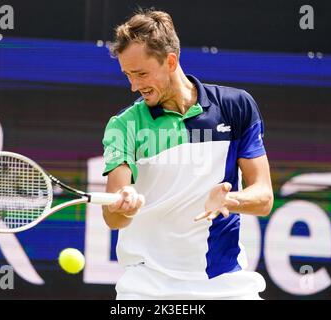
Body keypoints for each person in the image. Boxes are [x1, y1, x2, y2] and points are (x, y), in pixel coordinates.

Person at [101, 9, 273, 300]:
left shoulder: (237, 107)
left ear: (170, 61)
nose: (134, 86)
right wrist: (123, 207)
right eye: (128, 75)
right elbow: (113, 217)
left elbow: (264, 198)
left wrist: (229, 200)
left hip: (225, 283)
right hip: (147, 287)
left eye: (141, 73)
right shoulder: (124, 125)